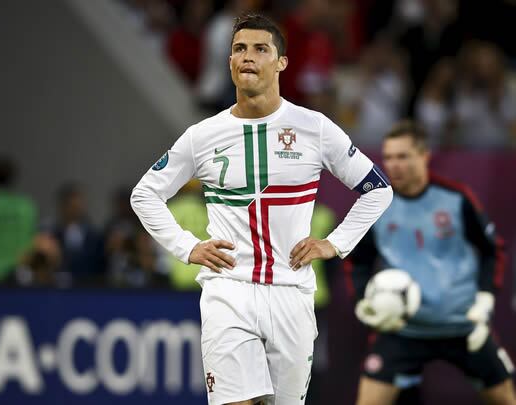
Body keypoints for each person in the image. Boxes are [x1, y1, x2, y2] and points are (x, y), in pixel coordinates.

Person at [131, 13, 393, 405]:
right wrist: (187, 247)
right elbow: (144, 194)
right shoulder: (202, 136)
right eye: (239, 49)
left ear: (281, 62)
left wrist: (335, 244)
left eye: (260, 49)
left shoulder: (314, 128)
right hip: (228, 290)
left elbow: (377, 190)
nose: (248, 57)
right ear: (230, 62)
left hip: (292, 293)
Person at [347, 120, 515, 405]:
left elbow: (493, 251)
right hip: (402, 328)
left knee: (505, 398)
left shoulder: (456, 197)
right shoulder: (375, 205)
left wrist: (484, 301)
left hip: (464, 327)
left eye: (403, 156)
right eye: (388, 157)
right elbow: (357, 261)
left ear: (424, 155)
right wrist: (363, 299)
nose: (394, 165)